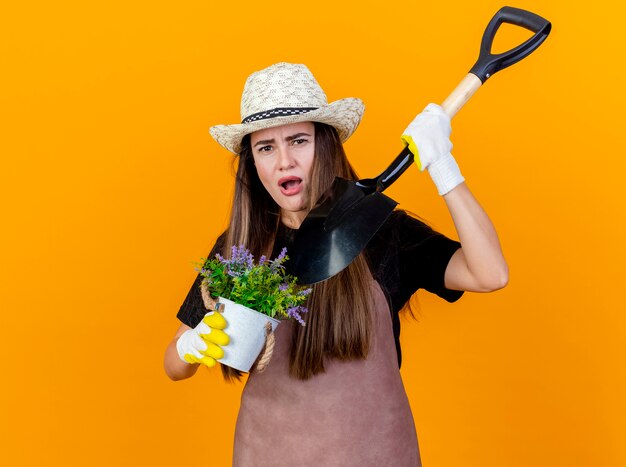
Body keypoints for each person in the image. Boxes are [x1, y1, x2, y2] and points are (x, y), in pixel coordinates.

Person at [164, 62, 508, 466]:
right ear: (253, 165)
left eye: (298, 141)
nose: (284, 162)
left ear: (325, 145)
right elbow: (173, 366)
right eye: (266, 147)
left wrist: (443, 166)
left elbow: (490, 273)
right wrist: (191, 347)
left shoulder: (381, 232)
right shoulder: (239, 249)